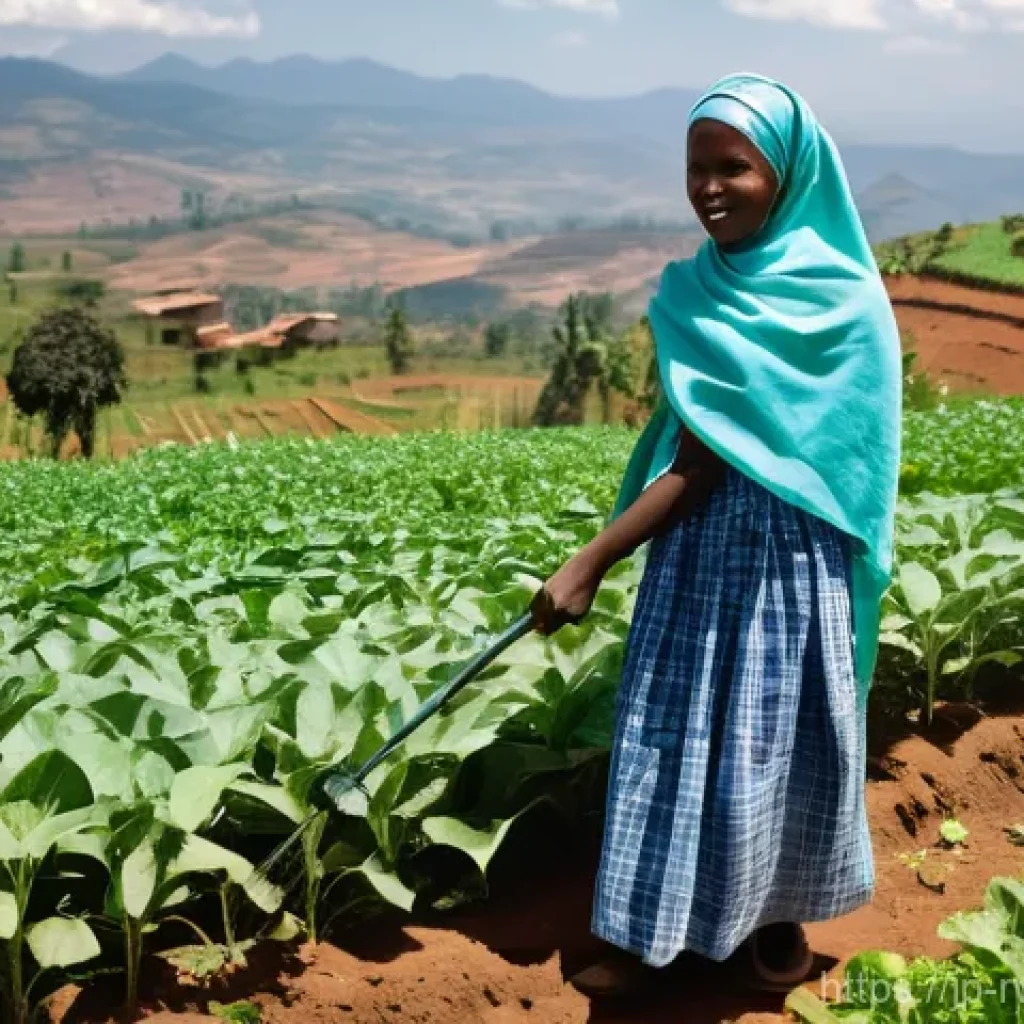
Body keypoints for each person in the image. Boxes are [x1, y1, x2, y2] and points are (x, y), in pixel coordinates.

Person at [529, 73, 902, 994]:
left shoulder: (841, 303)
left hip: (788, 567)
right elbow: (693, 452)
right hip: (699, 561)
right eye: (696, 168)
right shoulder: (698, 291)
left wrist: (589, 560)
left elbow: (703, 461)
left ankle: (773, 924)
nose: (708, 188)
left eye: (733, 167)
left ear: (787, 173)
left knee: (772, 741)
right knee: (679, 736)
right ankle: (658, 940)